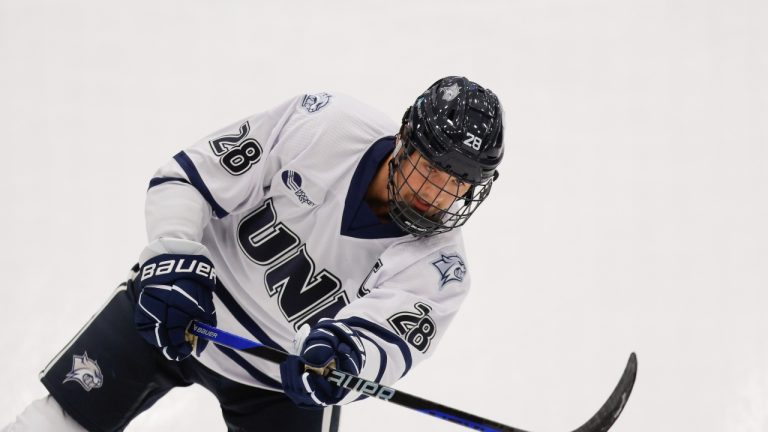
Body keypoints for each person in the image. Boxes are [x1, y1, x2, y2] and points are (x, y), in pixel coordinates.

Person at [3, 76, 504, 432]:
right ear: (402, 139)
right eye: (432, 168)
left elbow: (383, 347)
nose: (439, 193)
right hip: (183, 308)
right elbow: (187, 179)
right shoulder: (324, 125)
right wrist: (172, 255)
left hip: (281, 381)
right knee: (58, 422)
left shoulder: (441, 269)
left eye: (460, 182)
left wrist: (344, 359)